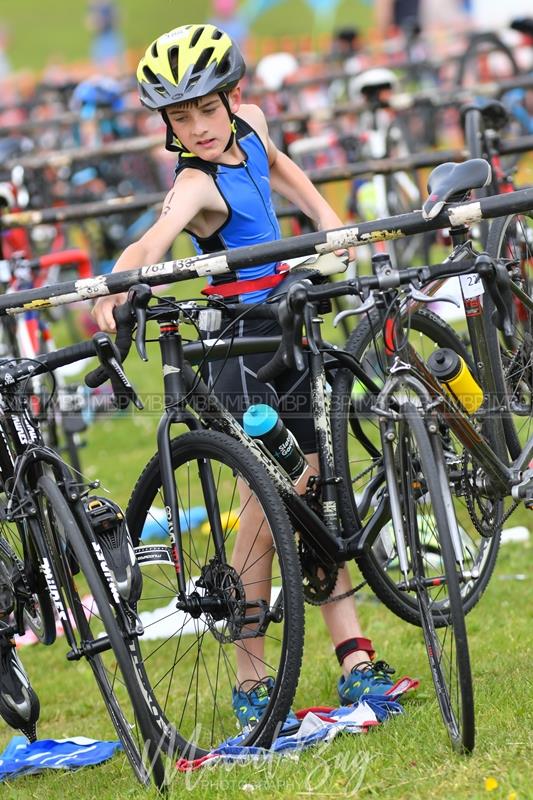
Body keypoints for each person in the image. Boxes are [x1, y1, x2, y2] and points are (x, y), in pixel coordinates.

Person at [92, 23, 398, 727]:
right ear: (165, 121)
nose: (196, 127)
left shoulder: (251, 125)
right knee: (262, 506)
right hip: (237, 348)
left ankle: (354, 661)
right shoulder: (196, 183)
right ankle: (251, 681)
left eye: (205, 109)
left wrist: (326, 221)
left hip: (291, 327)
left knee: (315, 492)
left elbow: (280, 164)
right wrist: (118, 282)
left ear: (232, 97)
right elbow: (154, 234)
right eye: (179, 116)